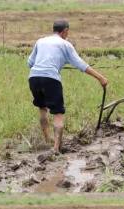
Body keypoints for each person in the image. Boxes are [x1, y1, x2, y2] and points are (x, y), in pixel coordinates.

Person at [27, 19, 108, 153]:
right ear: (65, 31)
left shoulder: (40, 41)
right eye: (67, 32)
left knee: (42, 108)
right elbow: (81, 64)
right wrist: (100, 77)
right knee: (58, 113)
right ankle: (56, 148)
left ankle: (47, 140)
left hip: (34, 77)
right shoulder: (66, 44)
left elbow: (30, 63)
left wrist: (51, 64)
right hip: (51, 79)